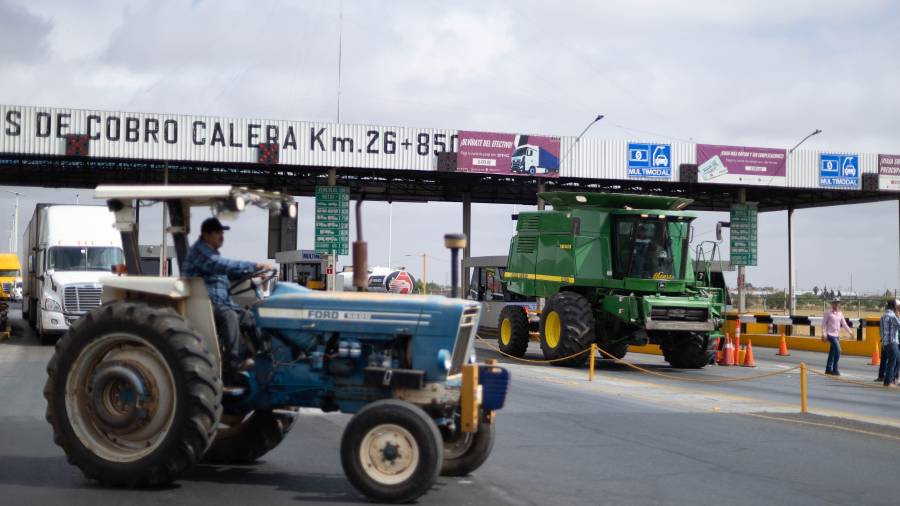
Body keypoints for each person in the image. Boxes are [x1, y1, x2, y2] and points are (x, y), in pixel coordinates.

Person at [182, 217, 272, 380]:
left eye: (222, 233)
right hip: (205, 305)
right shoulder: (201, 252)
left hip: (221, 303)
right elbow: (223, 265)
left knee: (250, 317)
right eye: (218, 233)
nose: (221, 236)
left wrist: (252, 273)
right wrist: (255, 265)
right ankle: (233, 362)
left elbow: (228, 272)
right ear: (206, 234)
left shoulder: (212, 256)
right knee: (229, 315)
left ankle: (263, 356)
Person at [821, 297, 853, 376]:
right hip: (830, 335)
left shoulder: (840, 313)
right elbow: (824, 324)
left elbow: (844, 324)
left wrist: (850, 332)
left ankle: (828, 369)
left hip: (836, 335)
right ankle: (835, 369)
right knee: (838, 350)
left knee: (832, 352)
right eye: (835, 302)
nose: (836, 304)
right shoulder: (828, 312)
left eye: (838, 303)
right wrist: (824, 334)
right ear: (832, 304)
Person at [879, 299, 900, 387]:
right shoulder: (893, 316)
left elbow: (880, 331)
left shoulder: (883, 316)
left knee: (897, 359)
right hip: (892, 342)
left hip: (885, 343)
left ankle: (890, 379)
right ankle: (888, 381)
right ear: (894, 307)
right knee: (892, 362)